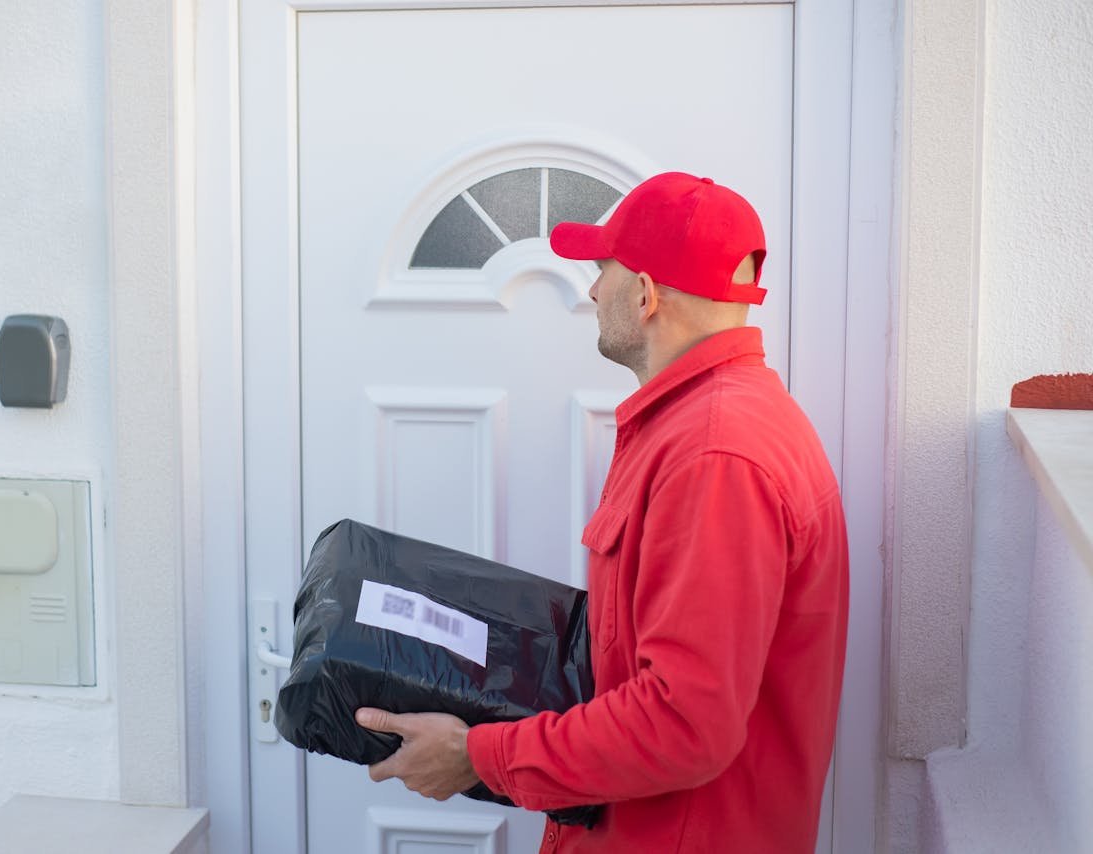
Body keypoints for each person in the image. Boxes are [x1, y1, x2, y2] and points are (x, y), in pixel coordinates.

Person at [355, 171, 849, 853]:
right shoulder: (708, 424)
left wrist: (481, 753)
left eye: (601, 271)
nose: (590, 291)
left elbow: (685, 724)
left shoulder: (715, 454)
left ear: (645, 295)